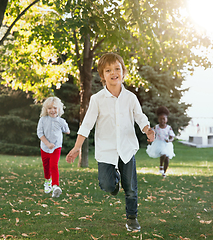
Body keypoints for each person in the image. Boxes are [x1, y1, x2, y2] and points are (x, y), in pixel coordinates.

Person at [66, 52, 155, 232]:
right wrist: (77, 147)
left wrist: (147, 130)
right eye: (108, 70)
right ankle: (114, 184)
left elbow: (140, 117)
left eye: (117, 69)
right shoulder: (97, 99)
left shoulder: (130, 98)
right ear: (102, 76)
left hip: (127, 149)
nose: (114, 73)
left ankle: (132, 218)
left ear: (123, 72)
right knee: (106, 185)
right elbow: (87, 125)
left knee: (130, 188)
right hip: (106, 151)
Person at [37, 97, 70, 198]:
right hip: (45, 147)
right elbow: (39, 133)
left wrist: (65, 129)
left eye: (55, 108)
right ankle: (48, 181)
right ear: (46, 109)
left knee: (53, 165)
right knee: (46, 167)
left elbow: (67, 130)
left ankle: (55, 186)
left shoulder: (61, 121)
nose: (52, 110)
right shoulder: (42, 120)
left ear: (59, 109)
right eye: (50, 108)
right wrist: (47, 144)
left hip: (56, 147)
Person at [146, 106, 175, 178]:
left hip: (166, 144)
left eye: (164, 119)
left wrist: (169, 140)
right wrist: (150, 140)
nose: (162, 121)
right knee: (164, 154)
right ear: (158, 119)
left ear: (166, 119)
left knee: (167, 159)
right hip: (159, 144)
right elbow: (152, 134)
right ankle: (161, 165)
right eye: (160, 119)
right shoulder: (156, 127)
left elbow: (172, 137)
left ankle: (164, 172)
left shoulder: (168, 128)